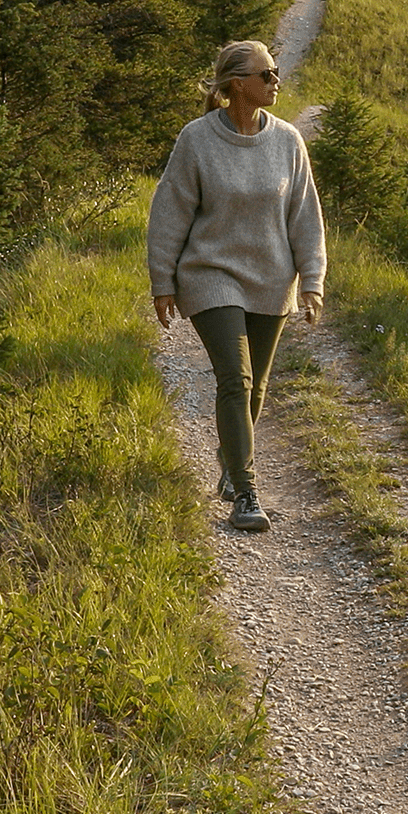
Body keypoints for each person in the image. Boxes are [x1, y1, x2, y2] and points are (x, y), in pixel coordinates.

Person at [147, 40, 326, 532]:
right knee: (236, 378)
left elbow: (306, 217)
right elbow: (169, 213)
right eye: (266, 75)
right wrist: (163, 281)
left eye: (275, 74)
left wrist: (312, 280)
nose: (275, 82)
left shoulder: (288, 140)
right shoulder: (197, 139)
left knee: (257, 386)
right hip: (210, 274)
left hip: (272, 278)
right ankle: (246, 493)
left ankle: (231, 458)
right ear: (235, 84)